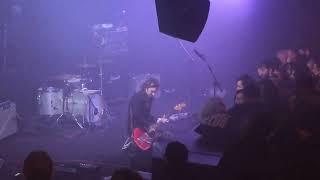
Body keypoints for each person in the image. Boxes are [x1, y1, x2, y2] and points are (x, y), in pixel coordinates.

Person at [127, 77, 168, 171]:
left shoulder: (149, 98)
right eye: (152, 91)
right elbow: (137, 116)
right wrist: (150, 125)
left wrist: (158, 119)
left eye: (155, 92)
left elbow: (146, 115)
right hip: (135, 128)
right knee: (136, 154)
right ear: (146, 88)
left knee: (147, 150)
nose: (153, 94)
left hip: (144, 126)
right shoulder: (137, 98)